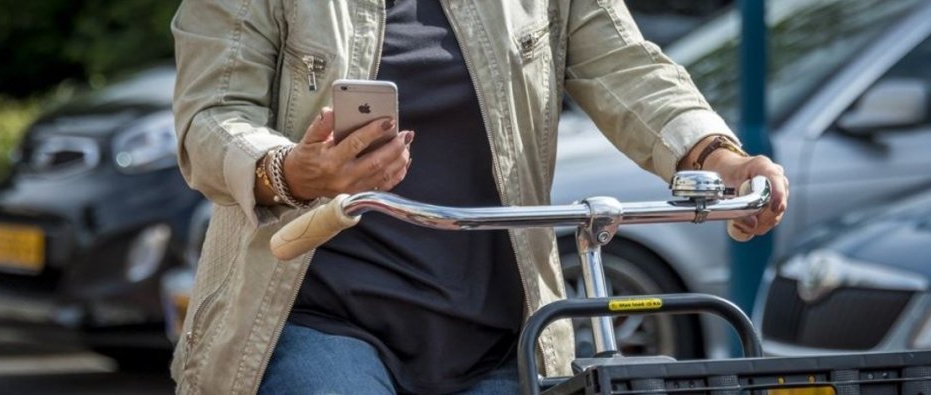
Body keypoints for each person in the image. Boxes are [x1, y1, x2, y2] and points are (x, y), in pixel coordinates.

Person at [170, 0, 789, 394]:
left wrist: (717, 156)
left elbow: (626, 66)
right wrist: (293, 171)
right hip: (319, 317)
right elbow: (210, 116)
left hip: (498, 331)